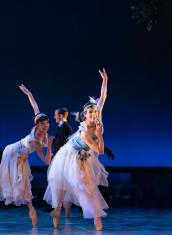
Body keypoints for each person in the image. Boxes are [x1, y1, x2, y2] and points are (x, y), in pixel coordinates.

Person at [44, 68, 110, 231]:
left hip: (85, 156)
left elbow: (102, 97)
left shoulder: (97, 115)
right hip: (70, 155)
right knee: (62, 185)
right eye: (90, 113)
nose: (94, 114)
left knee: (89, 186)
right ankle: (57, 210)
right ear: (85, 115)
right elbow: (100, 150)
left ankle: (96, 219)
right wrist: (100, 135)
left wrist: (105, 81)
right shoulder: (84, 132)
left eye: (95, 111)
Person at [0, 84, 54, 227]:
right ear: (37, 125)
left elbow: (35, 107)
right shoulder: (35, 140)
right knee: (4, 178)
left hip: (22, 157)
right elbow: (46, 160)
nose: (46, 126)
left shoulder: (43, 133)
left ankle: (31, 210)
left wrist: (29, 93)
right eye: (43, 124)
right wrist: (49, 146)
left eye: (47, 123)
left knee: (23, 184)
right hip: (12, 152)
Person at [52, 107, 73, 217]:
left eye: (55, 114)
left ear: (60, 115)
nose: (54, 117)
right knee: (63, 187)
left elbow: (67, 146)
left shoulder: (66, 127)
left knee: (63, 187)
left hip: (63, 162)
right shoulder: (63, 127)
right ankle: (64, 213)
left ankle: (62, 212)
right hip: (59, 160)